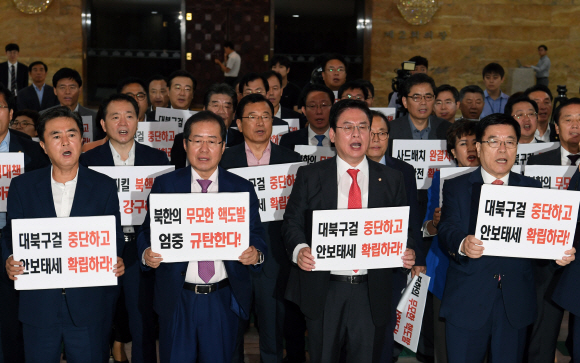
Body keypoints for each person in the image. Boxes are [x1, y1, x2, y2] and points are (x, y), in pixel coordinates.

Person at [282, 99, 416, 363]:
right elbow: (291, 222)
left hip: (371, 290)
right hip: (325, 289)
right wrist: (300, 250)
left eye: (363, 127)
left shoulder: (391, 178)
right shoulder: (310, 175)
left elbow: (404, 228)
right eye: (348, 127)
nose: (357, 134)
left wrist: (407, 249)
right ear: (332, 134)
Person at [438, 113, 575, 363]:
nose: (502, 149)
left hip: (515, 303)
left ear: (517, 147)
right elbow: (447, 228)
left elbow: (542, 242)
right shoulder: (456, 186)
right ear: (478, 147)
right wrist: (462, 243)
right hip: (468, 300)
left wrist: (559, 255)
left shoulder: (533, 189)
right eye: (494, 142)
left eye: (510, 142)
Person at [136, 110, 266, 362]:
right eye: (197, 140)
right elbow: (146, 232)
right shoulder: (166, 185)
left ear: (223, 145)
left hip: (223, 297)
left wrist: (256, 253)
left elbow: (257, 235)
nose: (204, 149)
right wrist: (146, 253)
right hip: (177, 296)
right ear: (185, 144)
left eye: (212, 141)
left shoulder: (240, 188)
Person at [2, 106, 125, 363]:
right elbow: (9, 235)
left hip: (88, 307)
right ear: (44, 146)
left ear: (82, 140)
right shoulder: (23, 186)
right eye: (56, 136)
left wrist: (117, 259)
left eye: (72, 134)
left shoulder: (103, 186)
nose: (65, 142)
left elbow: (114, 238)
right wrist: (8, 259)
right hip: (38, 306)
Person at [80, 94, 169, 363]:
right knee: (97, 320)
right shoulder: (86, 161)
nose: (123, 122)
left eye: (129, 115)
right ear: (103, 124)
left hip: (141, 248)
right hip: (100, 250)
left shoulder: (158, 161)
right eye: (115, 116)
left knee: (142, 321)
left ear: (138, 121)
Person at [220, 94, 302, 363]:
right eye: (252, 117)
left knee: (272, 334)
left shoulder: (291, 160)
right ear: (238, 124)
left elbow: (298, 213)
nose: (259, 122)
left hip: (275, 259)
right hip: (232, 257)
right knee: (231, 334)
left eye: (265, 116)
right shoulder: (224, 159)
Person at [524, 98, 580, 362]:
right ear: (556, 127)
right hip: (547, 260)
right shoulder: (536, 163)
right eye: (569, 120)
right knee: (542, 335)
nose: (576, 126)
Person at [422, 120, 480, 363]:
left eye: (476, 142)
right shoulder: (441, 180)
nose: (471, 148)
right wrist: (436, 223)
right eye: (463, 143)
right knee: (445, 345)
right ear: (453, 152)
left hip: (483, 273)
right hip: (445, 268)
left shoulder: (499, 180)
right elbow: (426, 228)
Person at [0, 83, 50, 363]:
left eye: (0, 107)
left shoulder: (33, 152)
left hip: (17, 241)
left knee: (12, 316)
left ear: (10, 113)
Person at [171, 83, 244, 170]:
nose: (221, 112)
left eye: (226, 106)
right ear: (204, 110)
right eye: (215, 105)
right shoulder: (183, 139)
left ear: (233, 114)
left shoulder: (242, 140)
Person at [388, 73, 451, 154]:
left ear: (434, 99)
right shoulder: (390, 130)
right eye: (416, 98)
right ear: (405, 102)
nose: (423, 102)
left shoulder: (447, 130)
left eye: (428, 97)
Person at [40, 68, 102, 140]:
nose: (67, 92)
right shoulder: (43, 116)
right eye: (62, 87)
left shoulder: (94, 117)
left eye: (72, 87)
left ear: (80, 90)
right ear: (55, 90)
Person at [279, 83, 335, 151]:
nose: (319, 111)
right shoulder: (288, 140)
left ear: (333, 108)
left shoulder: (342, 139)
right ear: (304, 110)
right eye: (312, 106)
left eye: (324, 105)